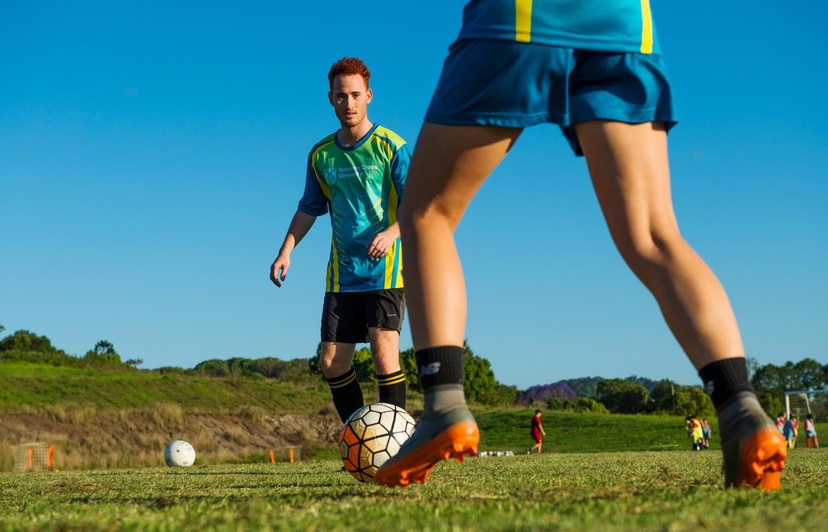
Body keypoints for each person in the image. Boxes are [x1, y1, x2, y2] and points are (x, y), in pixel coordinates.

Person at [375, 1, 787, 490]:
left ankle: (444, 404)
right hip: (625, 23)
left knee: (427, 213)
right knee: (655, 236)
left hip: (520, 16)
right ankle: (741, 410)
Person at [270, 57, 412, 424]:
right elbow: (308, 208)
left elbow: (419, 205)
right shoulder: (321, 155)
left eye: (354, 95)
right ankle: (359, 436)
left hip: (387, 272)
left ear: (368, 96)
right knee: (332, 363)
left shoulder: (391, 146)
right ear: (330, 99)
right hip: (342, 275)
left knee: (384, 357)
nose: (348, 103)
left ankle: (395, 444)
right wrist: (286, 251)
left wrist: (392, 232)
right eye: (340, 96)